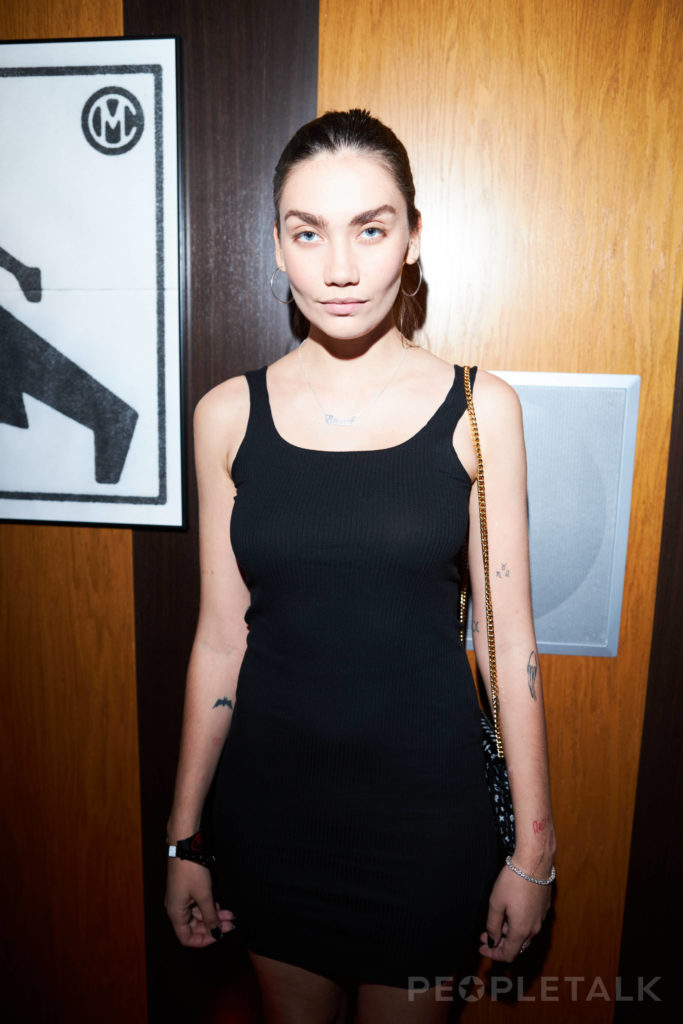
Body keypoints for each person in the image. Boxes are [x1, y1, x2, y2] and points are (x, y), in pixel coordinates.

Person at [165, 109, 556, 1024]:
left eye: (370, 230)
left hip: (426, 826)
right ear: (276, 245)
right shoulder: (226, 416)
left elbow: (510, 649)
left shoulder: (479, 409)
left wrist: (532, 853)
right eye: (308, 233)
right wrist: (183, 837)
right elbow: (219, 642)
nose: (338, 268)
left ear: (411, 238)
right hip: (272, 818)